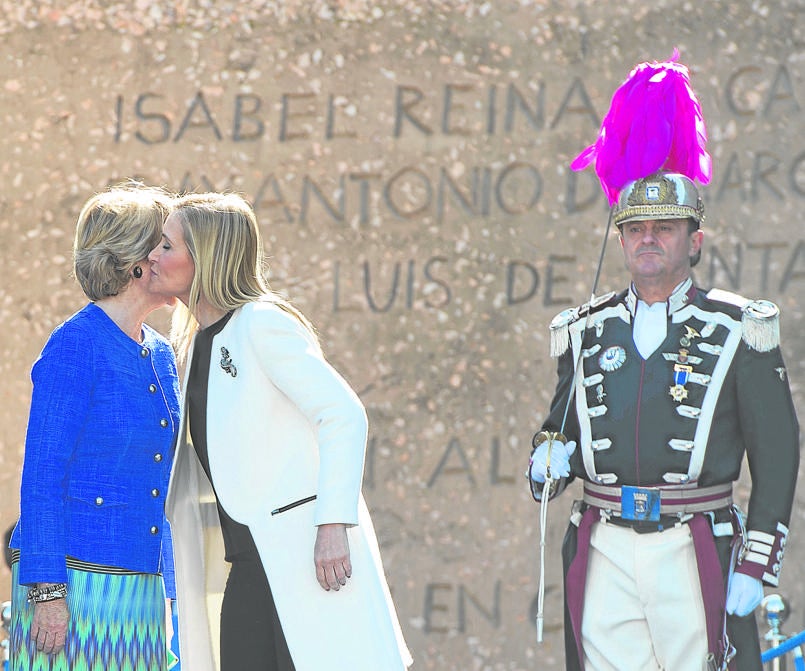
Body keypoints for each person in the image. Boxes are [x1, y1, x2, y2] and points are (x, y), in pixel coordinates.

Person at [528, 171, 799, 671]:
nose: (647, 238)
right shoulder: (588, 328)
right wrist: (548, 457)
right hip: (605, 542)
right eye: (635, 229)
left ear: (694, 241)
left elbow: (778, 452)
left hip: (691, 542)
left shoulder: (738, 329)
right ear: (622, 241)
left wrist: (757, 562)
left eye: (664, 227)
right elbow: (560, 424)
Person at [149, 192, 412, 671]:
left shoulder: (262, 323)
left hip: (305, 560)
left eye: (167, 245)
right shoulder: (188, 344)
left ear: (205, 255)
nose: (153, 255)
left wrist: (333, 524)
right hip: (247, 563)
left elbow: (344, 414)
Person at [8, 183, 181, 670]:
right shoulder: (74, 345)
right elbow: (42, 474)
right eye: (164, 245)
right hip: (74, 587)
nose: (175, 258)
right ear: (136, 263)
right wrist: (47, 592)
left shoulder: (162, 354)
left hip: (144, 588)